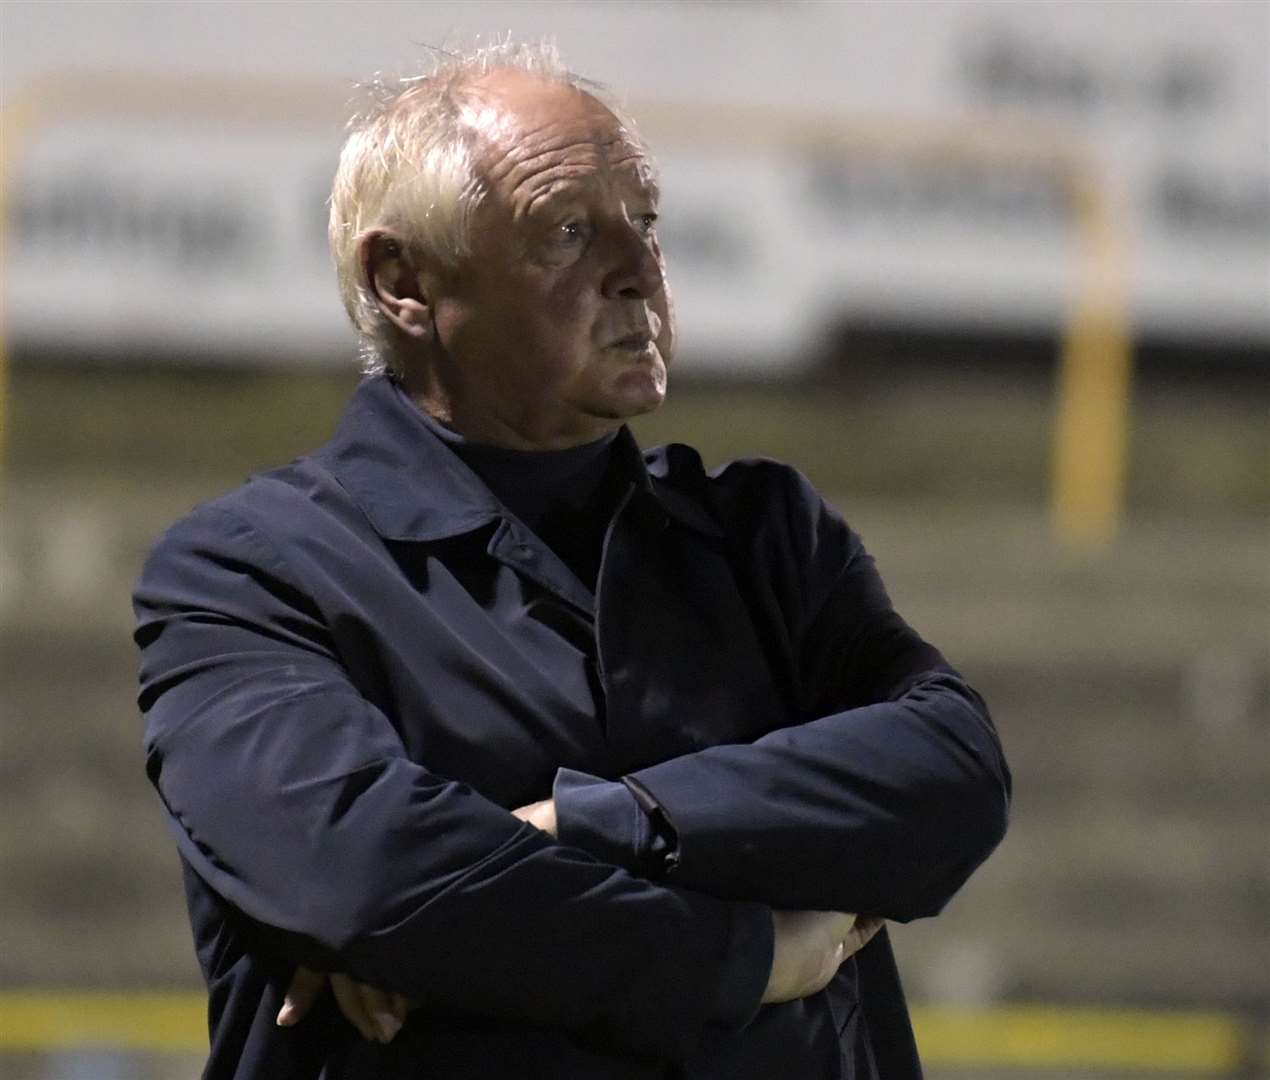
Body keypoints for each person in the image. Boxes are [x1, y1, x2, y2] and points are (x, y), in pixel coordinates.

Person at [133, 41, 1010, 1080]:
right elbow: (367, 872)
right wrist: (752, 954)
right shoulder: (247, 570)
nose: (640, 273)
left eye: (643, 223)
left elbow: (951, 776)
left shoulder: (763, 532)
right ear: (403, 280)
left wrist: (586, 827)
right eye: (566, 233)